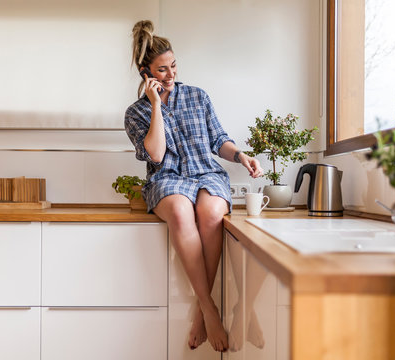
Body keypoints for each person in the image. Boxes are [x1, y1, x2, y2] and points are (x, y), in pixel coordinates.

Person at [124, 20, 264, 353]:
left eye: (173, 66)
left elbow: (218, 140)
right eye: (162, 70)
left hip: (206, 172)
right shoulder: (135, 113)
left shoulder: (198, 96)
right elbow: (155, 154)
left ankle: (203, 310)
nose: (171, 74)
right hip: (167, 177)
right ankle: (210, 307)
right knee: (179, 210)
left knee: (212, 212)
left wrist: (242, 156)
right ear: (146, 73)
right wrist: (156, 104)